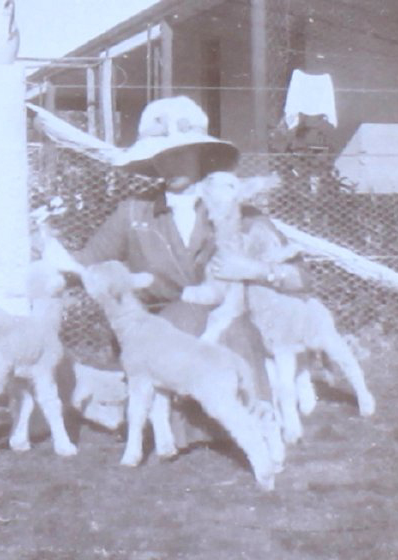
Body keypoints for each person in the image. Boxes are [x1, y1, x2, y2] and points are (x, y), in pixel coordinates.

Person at [72, 95, 309, 448]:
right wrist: (47, 259)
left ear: (201, 154)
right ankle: (181, 429)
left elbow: (300, 278)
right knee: (171, 330)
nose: (171, 163)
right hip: (166, 330)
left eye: (181, 152)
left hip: (231, 328)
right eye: (162, 154)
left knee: (235, 329)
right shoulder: (134, 212)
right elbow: (87, 262)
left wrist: (256, 269)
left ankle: (253, 425)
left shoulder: (233, 206)